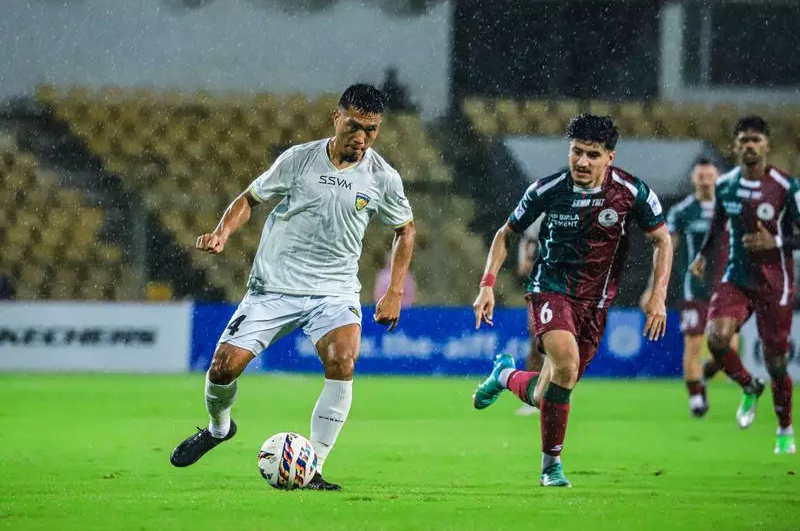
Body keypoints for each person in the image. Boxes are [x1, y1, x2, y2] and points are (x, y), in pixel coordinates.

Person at [169, 84, 416, 489]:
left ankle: (312, 467)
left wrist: (394, 291)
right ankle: (218, 429)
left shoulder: (383, 178)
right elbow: (250, 198)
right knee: (222, 369)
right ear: (336, 118)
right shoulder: (299, 159)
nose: (361, 137)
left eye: (371, 130)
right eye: (354, 126)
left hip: (334, 291)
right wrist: (221, 233)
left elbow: (405, 230)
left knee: (343, 361)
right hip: (274, 287)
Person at [471, 114, 673, 488]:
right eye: (576, 151)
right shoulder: (547, 190)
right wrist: (487, 285)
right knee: (565, 365)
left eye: (592, 154)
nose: (582, 161)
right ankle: (551, 467)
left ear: (609, 157)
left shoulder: (632, 192)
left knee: (546, 394)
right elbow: (505, 234)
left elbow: (662, 239)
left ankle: (504, 376)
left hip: (596, 304)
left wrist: (657, 293)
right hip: (550, 289)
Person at [690, 116, 800, 455]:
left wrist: (775, 241)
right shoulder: (725, 186)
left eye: (755, 140)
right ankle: (750, 386)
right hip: (737, 277)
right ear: (735, 146)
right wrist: (703, 255)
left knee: (776, 363)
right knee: (716, 338)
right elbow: (718, 225)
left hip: (775, 283)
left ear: (767, 145)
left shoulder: (786, 187)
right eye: (743, 140)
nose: (749, 145)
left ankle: (784, 428)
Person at [640, 158, 735, 418]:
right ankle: (696, 398)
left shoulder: (730, 207)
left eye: (709, 176)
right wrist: (652, 288)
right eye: (700, 176)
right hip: (695, 290)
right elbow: (664, 250)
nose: (705, 181)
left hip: (727, 290)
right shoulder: (683, 211)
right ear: (693, 179)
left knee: (728, 348)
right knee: (693, 344)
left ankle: (705, 373)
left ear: (718, 178)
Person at [515, 215, 545, 416]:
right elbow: (528, 239)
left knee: (556, 343)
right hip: (538, 283)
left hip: (562, 284)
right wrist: (524, 261)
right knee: (535, 338)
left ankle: (560, 390)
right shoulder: (539, 210)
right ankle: (533, 395)